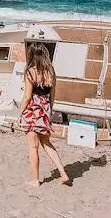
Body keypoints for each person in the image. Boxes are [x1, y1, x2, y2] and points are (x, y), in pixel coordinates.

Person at [18, 42, 72, 187]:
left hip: (32, 111)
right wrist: (48, 112)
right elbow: (52, 96)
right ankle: (63, 173)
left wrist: (20, 113)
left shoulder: (30, 71)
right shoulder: (51, 72)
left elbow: (27, 96)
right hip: (45, 110)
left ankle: (35, 180)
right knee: (46, 142)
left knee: (33, 147)